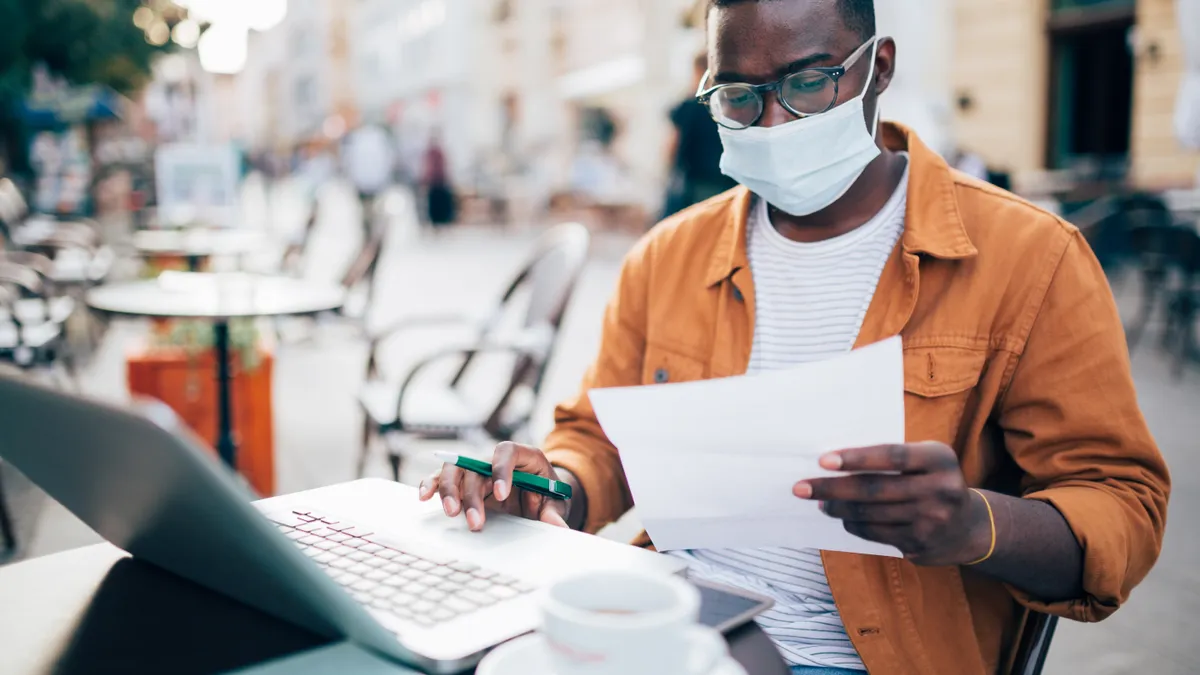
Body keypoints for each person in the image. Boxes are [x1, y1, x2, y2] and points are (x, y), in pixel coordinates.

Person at [419, 1, 1171, 674]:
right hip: (676, 626)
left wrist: (975, 523)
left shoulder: (1029, 259)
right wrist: (553, 484)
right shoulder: (668, 257)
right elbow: (601, 437)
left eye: (809, 83)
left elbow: (1122, 507)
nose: (773, 125)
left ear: (878, 68)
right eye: (739, 98)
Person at [663, 52, 739, 218]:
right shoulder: (735, 104)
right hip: (731, 183)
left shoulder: (690, 105)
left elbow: (672, 147)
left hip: (697, 184)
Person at [342, 123, 395, 238]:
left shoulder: (357, 140)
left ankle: (370, 231)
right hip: (373, 182)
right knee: (372, 209)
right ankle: (371, 231)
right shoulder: (378, 140)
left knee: (368, 210)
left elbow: (349, 163)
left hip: (363, 183)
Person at [422, 131, 456, 230]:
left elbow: (445, 167)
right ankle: (436, 224)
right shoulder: (430, 153)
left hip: (440, 181)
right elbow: (427, 168)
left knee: (441, 205)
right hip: (434, 182)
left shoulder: (440, 152)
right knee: (434, 205)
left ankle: (443, 223)